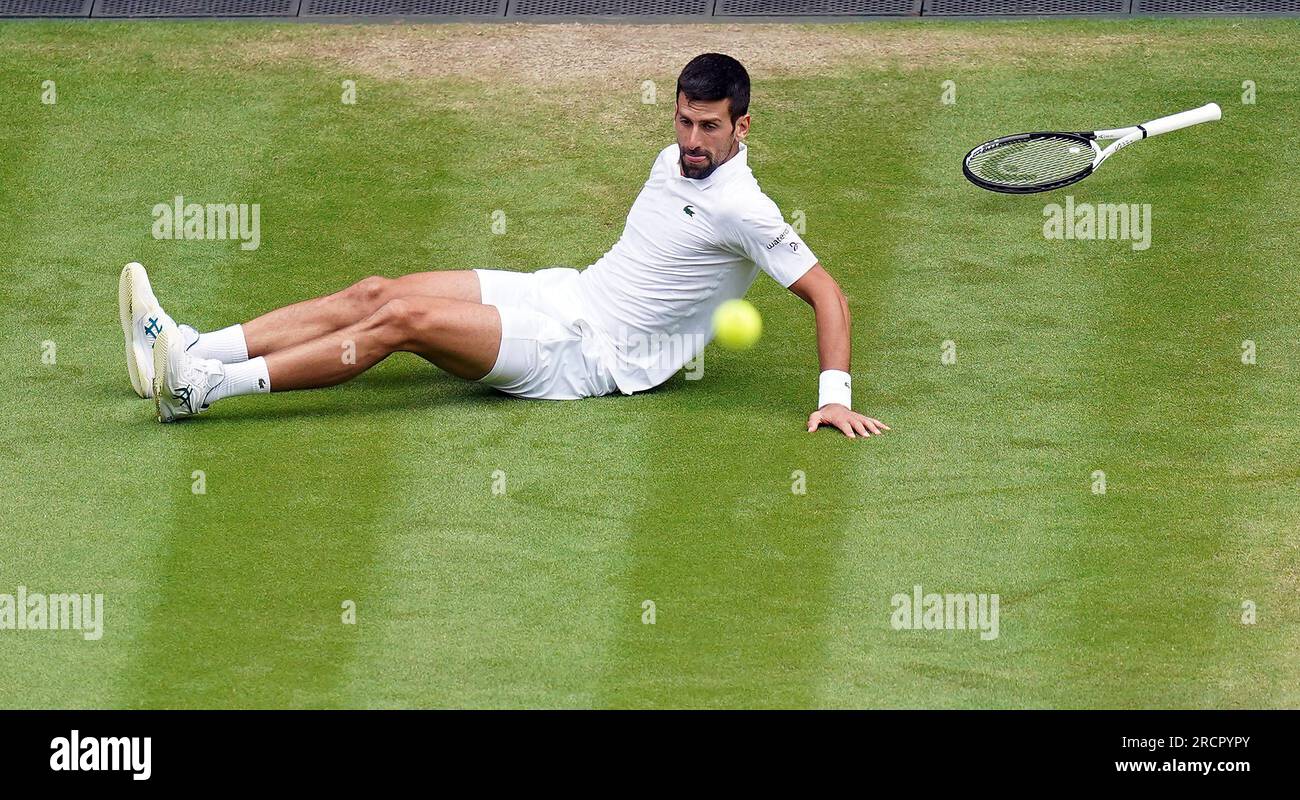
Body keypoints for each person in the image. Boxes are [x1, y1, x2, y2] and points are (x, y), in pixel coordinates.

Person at [120, 52, 888, 439]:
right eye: (684, 121)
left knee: (401, 324)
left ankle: (203, 389)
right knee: (377, 291)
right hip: (560, 291)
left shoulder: (748, 210)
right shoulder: (673, 158)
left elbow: (828, 294)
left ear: (742, 125)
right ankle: (191, 346)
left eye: (709, 127)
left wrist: (834, 398)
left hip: (582, 357)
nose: (691, 140)